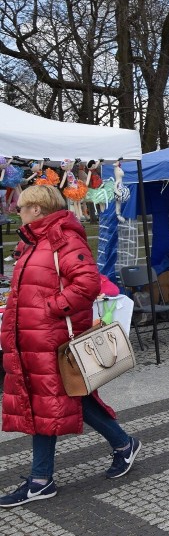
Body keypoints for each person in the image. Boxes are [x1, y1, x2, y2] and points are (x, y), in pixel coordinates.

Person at [0, 185, 141, 508]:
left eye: (21, 207)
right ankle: (123, 444)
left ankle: (41, 479)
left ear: (37, 208)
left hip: (52, 338)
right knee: (64, 398)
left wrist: (51, 308)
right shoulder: (36, 241)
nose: (17, 211)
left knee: (46, 403)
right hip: (34, 339)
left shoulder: (63, 238)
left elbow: (88, 283)